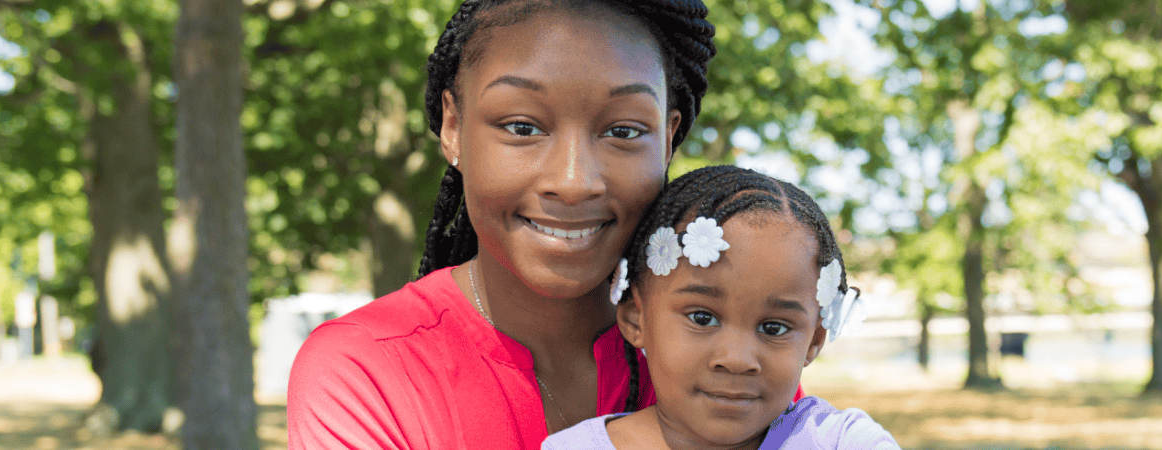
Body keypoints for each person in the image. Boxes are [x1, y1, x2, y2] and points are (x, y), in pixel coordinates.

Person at [284, 1, 716, 448]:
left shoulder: (724, 350)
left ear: (667, 140)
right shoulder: (368, 372)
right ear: (453, 127)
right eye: (522, 127)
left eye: (623, 131)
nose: (573, 182)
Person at [543, 166, 899, 450]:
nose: (737, 359)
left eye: (774, 328)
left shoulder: (842, 442)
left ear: (814, 341)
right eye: (702, 318)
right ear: (637, 319)